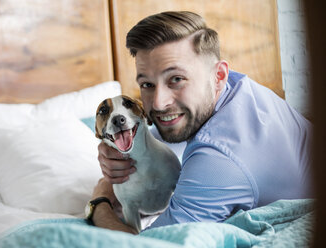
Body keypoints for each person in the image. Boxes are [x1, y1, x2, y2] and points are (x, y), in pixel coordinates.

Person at [89, 11, 313, 234]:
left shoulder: (216, 161)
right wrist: (119, 148)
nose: (158, 103)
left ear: (218, 75)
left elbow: (148, 244)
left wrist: (100, 199)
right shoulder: (236, 89)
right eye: (147, 84)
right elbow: (163, 135)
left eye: (176, 79)